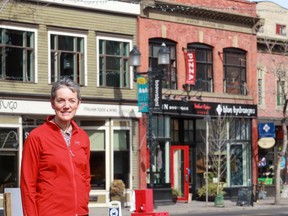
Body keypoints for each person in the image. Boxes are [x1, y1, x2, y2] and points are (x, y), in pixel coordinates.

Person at [20, 77, 91, 216]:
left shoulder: (83, 137)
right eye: (61, 100)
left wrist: (83, 203)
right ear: (52, 103)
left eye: (72, 100)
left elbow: (86, 177)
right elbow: (28, 185)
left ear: (78, 103)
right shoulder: (37, 137)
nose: (66, 106)